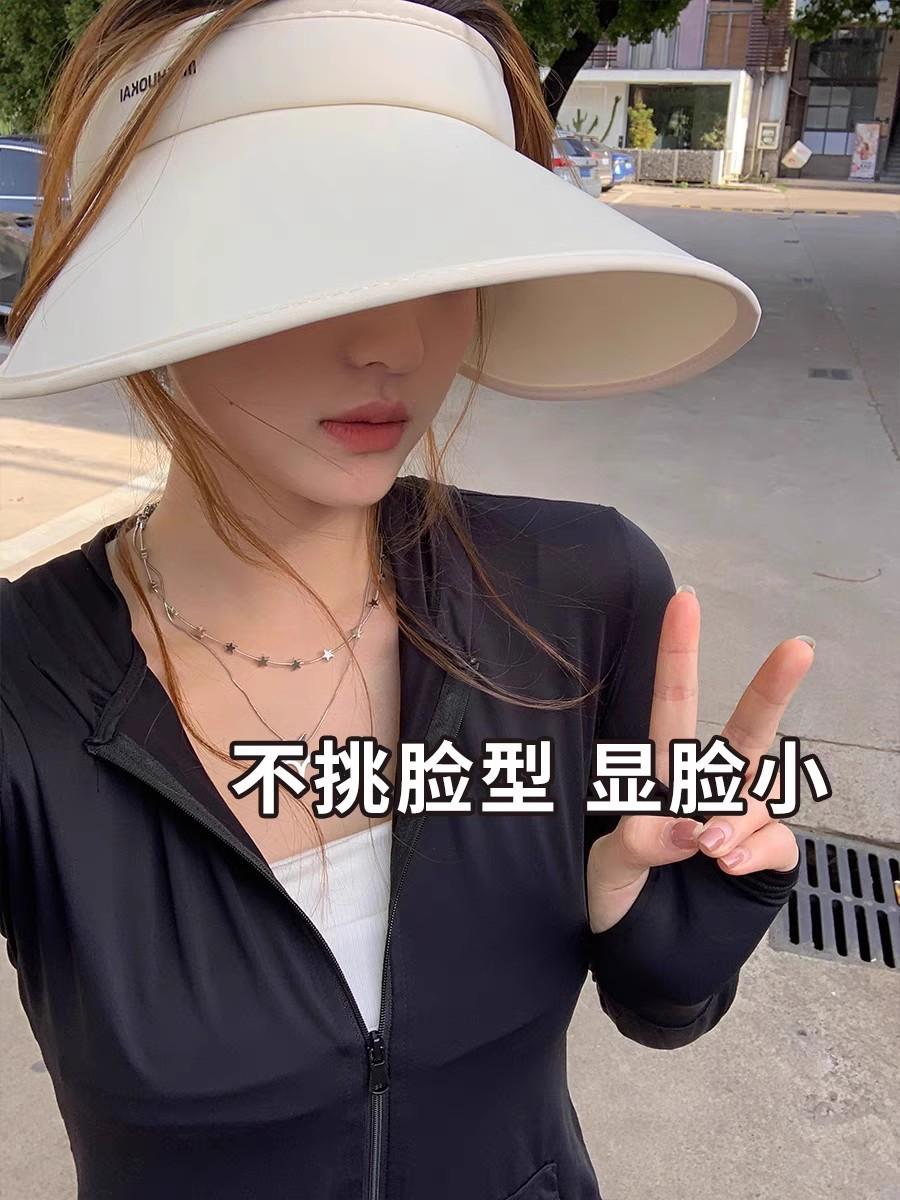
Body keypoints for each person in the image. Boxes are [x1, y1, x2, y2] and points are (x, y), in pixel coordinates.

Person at [0, 1, 810, 1197]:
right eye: (304, 252)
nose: (393, 340)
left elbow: (663, 1005)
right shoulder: (24, 691)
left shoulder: (580, 597)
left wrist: (667, 930)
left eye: (438, 254)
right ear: (147, 269)